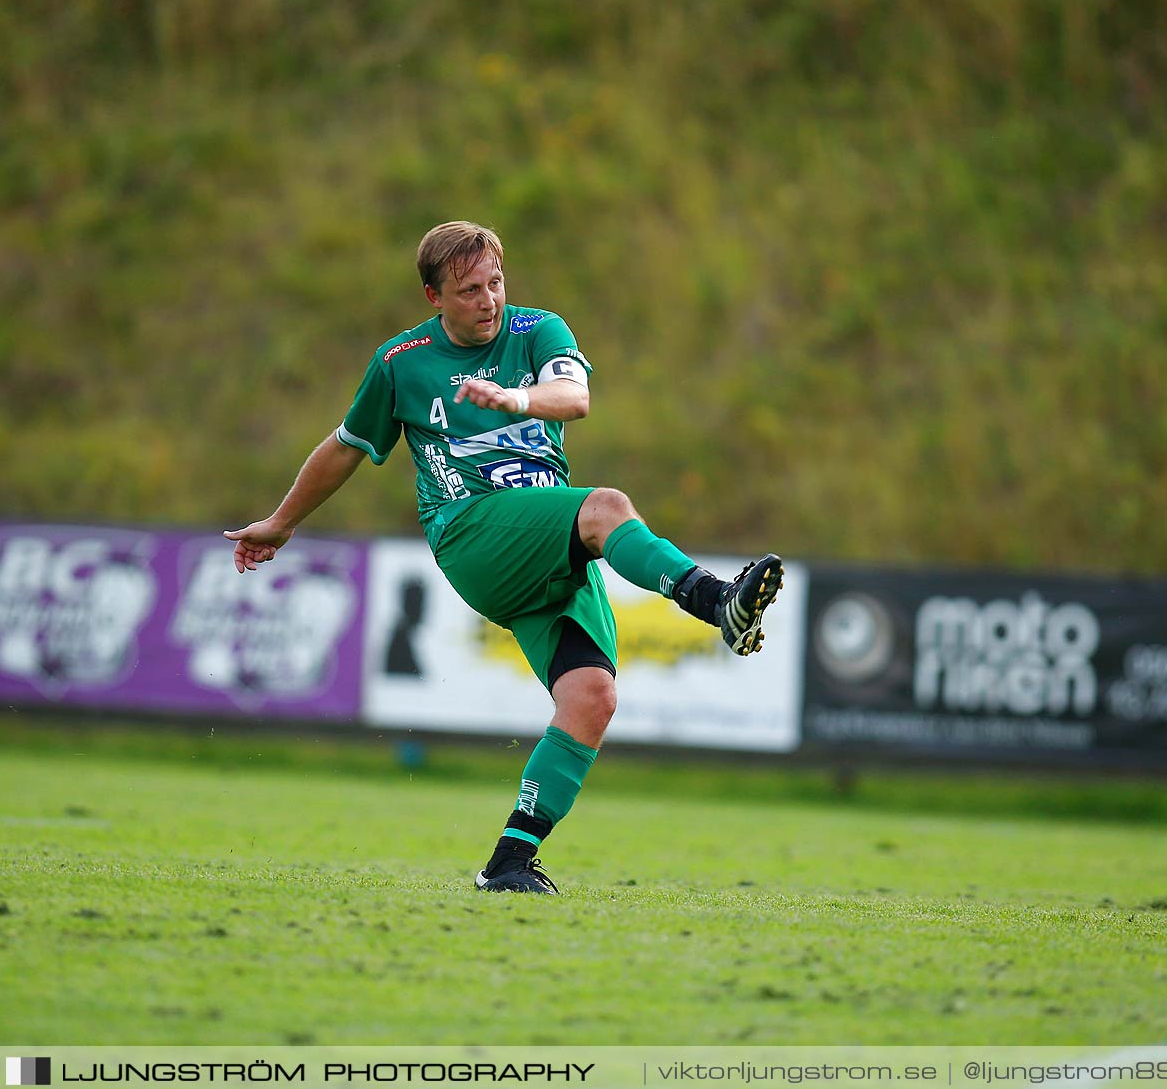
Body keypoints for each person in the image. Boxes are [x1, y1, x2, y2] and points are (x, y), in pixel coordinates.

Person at [223, 221, 783, 894]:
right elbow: (345, 446)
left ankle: (510, 861)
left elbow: (574, 398)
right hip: (473, 533)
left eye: (495, 282)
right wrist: (282, 523)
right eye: (468, 290)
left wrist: (515, 398)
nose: (488, 300)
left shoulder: (538, 330)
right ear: (434, 296)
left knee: (592, 699)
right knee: (605, 507)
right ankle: (717, 601)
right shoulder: (401, 362)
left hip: (546, 544)